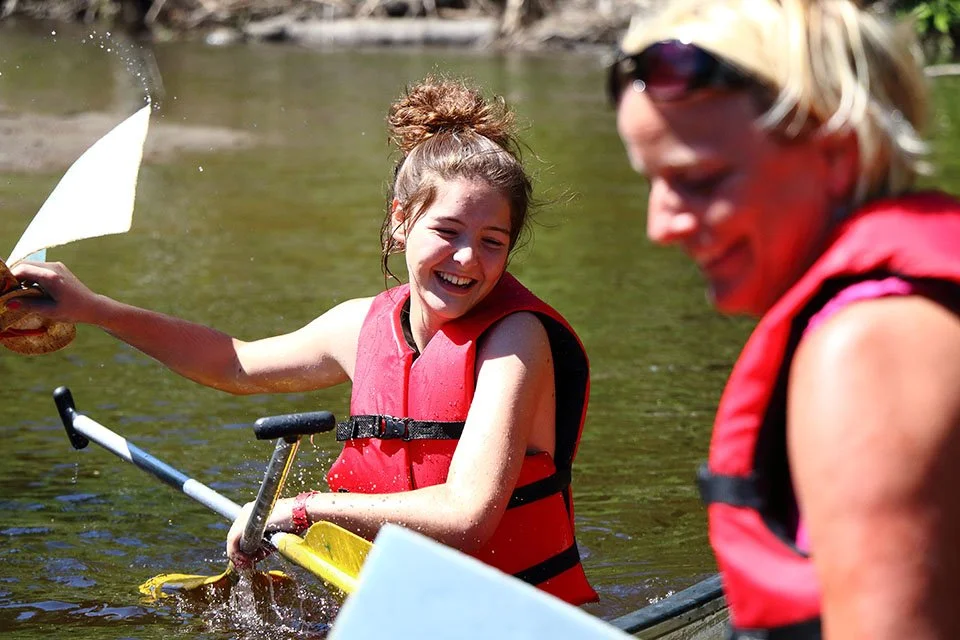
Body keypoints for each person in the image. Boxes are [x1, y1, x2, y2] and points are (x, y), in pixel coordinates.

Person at [10, 76, 598, 605]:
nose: (468, 257)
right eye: (447, 230)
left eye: (493, 240)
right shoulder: (362, 325)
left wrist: (299, 510)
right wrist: (94, 308)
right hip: (407, 604)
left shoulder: (516, 340)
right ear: (401, 220)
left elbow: (467, 515)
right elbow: (233, 364)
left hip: (518, 614)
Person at [609, 0, 960, 637]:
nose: (661, 226)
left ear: (837, 154)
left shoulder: (872, 349)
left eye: (701, 180)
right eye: (654, 182)